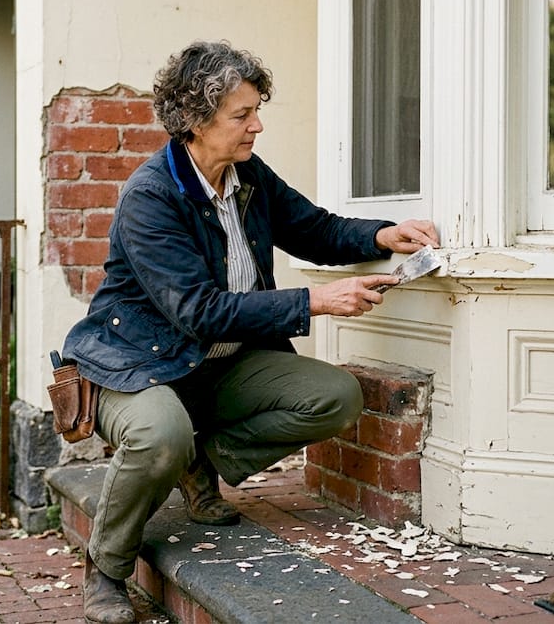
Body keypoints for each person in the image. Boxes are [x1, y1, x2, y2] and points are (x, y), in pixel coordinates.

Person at [61, 41, 440, 624]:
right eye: (241, 115)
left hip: (216, 363)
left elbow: (313, 229)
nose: (256, 126)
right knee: (160, 434)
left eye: (256, 110)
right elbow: (199, 312)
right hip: (138, 366)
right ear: (195, 120)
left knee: (335, 397)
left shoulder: (247, 175)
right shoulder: (151, 197)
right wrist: (315, 301)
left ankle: (199, 461)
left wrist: (382, 234)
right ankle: (106, 568)